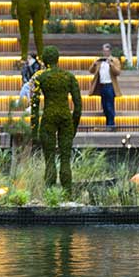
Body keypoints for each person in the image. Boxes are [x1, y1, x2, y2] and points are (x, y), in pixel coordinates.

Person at [31, 46, 82, 192]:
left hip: (48, 118)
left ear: (45, 60)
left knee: (49, 159)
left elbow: (34, 106)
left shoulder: (40, 77)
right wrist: (74, 126)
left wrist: (34, 130)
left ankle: (49, 192)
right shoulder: (69, 77)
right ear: (57, 59)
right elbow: (78, 106)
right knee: (65, 159)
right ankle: (67, 193)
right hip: (66, 119)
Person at [89, 43, 122, 130]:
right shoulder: (100, 61)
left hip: (110, 86)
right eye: (104, 51)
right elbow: (91, 71)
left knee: (110, 106)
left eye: (107, 51)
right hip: (102, 86)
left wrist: (111, 64)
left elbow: (117, 72)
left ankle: (111, 125)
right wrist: (94, 64)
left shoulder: (114, 60)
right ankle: (108, 124)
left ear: (110, 51)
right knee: (104, 106)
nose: (105, 53)